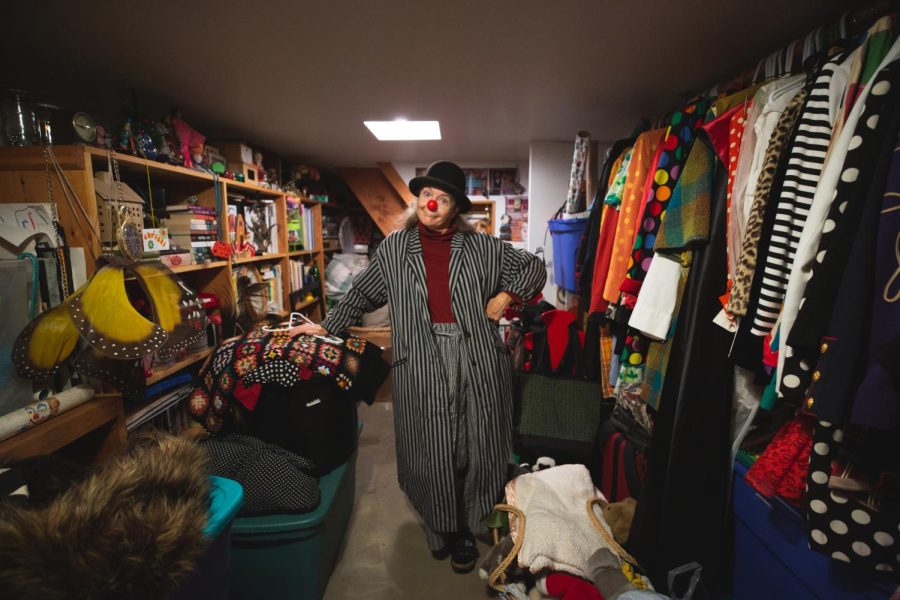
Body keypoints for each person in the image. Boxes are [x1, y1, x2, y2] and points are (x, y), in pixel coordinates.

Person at [293, 160, 546, 573]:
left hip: (477, 357)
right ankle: (440, 525)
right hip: (421, 360)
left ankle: (466, 526)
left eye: (444, 198)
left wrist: (505, 298)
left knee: (473, 444)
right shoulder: (394, 249)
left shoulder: (482, 247)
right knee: (428, 448)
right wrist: (324, 328)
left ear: (455, 208)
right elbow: (359, 296)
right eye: (428, 194)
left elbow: (532, 267)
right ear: (418, 199)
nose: (432, 203)